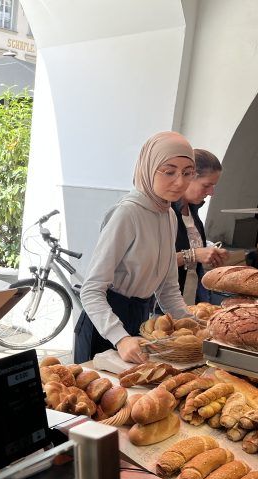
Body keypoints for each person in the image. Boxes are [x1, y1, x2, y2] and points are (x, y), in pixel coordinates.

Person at [75, 131, 195, 365]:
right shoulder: (127, 213)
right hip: (104, 326)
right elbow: (90, 290)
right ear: (148, 168)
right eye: (169, 171)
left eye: (187, 173)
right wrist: (120, 338)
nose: (180, 181)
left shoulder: (168, 215)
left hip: (140, 320)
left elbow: (168, 290)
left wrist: (194, 326)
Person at [173, 149, 228, 305]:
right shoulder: (163, 214)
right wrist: (195, 255)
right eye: (207, 185)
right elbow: (152, 264)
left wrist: (209, 255)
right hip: (160, 306)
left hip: (190, 301)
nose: (211, 192)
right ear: (189, 177)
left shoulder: (192, 212)